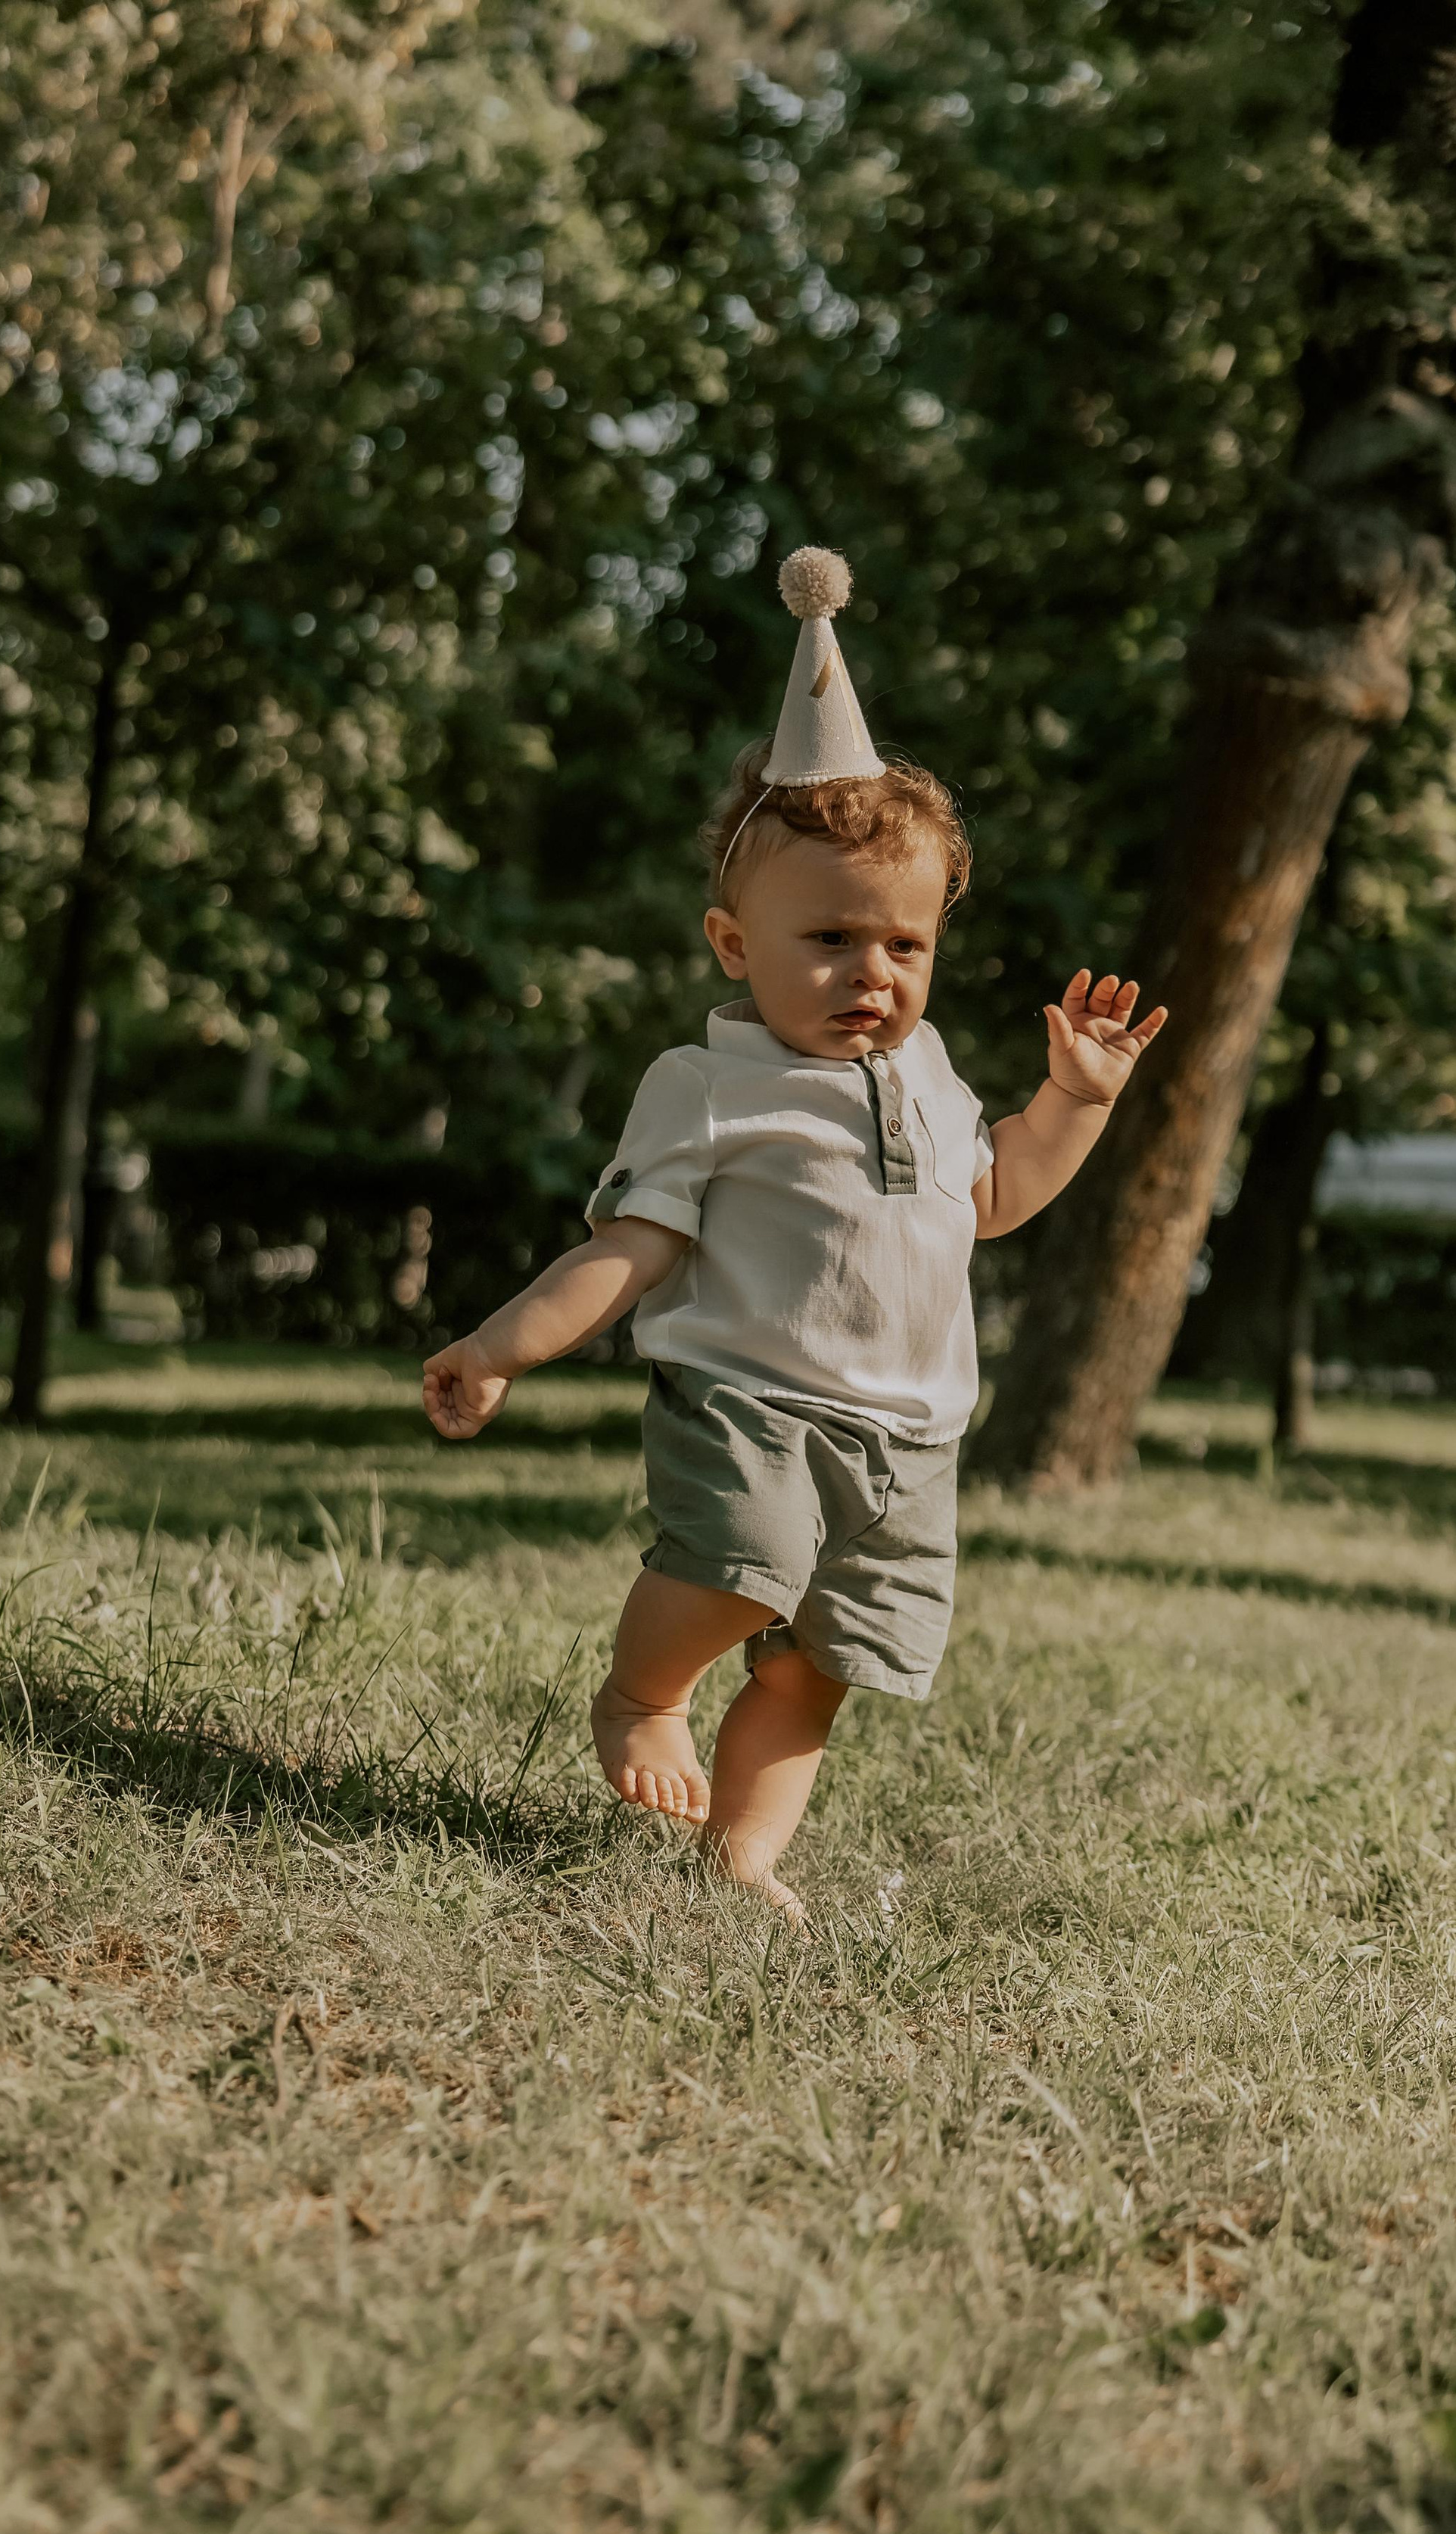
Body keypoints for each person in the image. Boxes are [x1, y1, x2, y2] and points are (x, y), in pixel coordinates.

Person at [423, 547, 1165, 1916]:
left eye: (903, 947)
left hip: (915, 1439)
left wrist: (1073, 1099)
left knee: (823, 1660)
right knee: (736, 1574)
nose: (870, 976)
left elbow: (992, 1196)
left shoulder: (934, 1077)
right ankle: (643, 1697)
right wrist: (501, 1345)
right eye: (827, 939)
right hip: (752, 1403)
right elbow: (627, 1249)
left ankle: (744, 1855)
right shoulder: (710, 1085)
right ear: (730, 942)